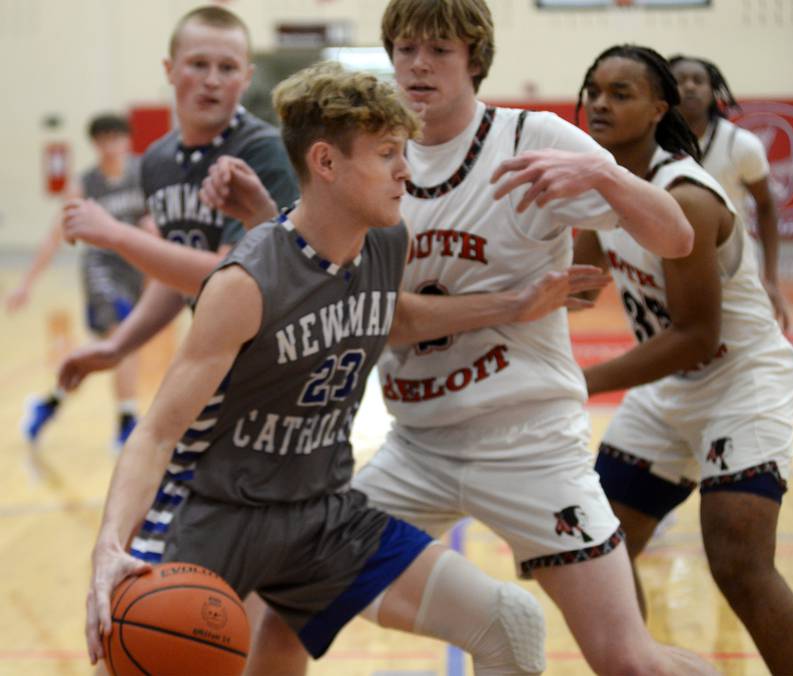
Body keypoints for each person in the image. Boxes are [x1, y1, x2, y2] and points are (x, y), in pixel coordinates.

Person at [206, 2, 720, 674]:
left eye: (440, 50)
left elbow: (676, 237)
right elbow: (358, 302)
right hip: (419, 446)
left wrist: (604, 176)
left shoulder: (532, 138)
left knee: (625, 658)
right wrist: (264, 218)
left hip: (529, 444)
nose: (420, 64)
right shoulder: (373, 155)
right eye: (408, 49)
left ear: (474, 58)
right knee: (285, 612)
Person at [85, 62, 555, 676]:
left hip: (319, 513)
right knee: (129, 657)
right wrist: (108, 547)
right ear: (326, 163)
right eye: (388, 154)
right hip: (213, 517)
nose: (405, 171)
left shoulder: (388, 243)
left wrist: (515, 306)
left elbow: (393, 316)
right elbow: (157, 432)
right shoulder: (245, 284)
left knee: (510, 626)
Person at [571, 44, 793, 675]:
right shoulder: (599, 184)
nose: (599, 101)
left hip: (741, 381)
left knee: (737, 563)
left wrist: (579, 382)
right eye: (594, 89)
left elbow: (697, 335)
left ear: (658, 109)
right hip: (671, 391)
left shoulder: (686, 195)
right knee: (595, 551)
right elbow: (580, 286)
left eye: (621, 93)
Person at [57, 5, 298, 393]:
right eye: (198, 64)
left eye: (228, 68)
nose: (212, 81)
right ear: (169, 69)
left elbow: (232, 278)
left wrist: (117, 235)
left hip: (277, 363)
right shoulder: (156, 160)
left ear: (247, 77)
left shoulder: (263, 152)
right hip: (213, 355)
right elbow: (175, 277)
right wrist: (118, 345)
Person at [6, 114, 149, 450]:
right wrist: (26, 283)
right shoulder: (84, 184)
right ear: (95, 144)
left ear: (128, 140)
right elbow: (55, 235)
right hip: (101, 267)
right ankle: (127, 421)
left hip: (137, 268)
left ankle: (49, 403)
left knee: (109, 350)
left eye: (117, 137)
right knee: (122, 333)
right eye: (103, 139)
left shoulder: (145, 174)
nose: (111, 145)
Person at [669, 54, 789, 330]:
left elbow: (766, 206)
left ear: (713, 92)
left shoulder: (741, 144)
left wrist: (770, 278)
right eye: (680, 80)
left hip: (733, 266)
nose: (689, 86)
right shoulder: (654, 146)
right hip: (672, 266)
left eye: (698, 80)